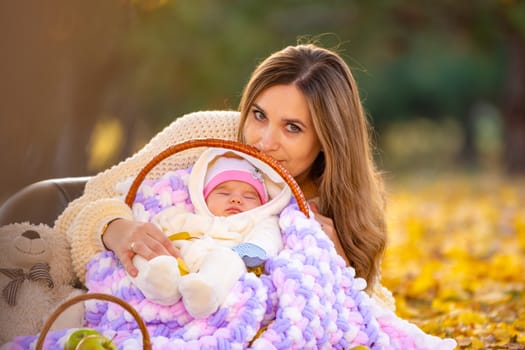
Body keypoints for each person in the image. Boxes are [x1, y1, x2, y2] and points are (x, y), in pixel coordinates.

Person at [56, 42, 393, 308]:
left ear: (327, 138)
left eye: (292, 127)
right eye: (259, 115)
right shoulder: (206, 136)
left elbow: (371, 312)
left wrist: (340, 271)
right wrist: (114, 228)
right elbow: (89, 200)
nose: (263, 141)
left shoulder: (336, 202)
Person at [127, 147, 291, 318]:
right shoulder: (186, 217)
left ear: (261, 204)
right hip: (177, 261)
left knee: (229, 261)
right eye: (224, 193)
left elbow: (268, 237)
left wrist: (250, 250)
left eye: (249, 196)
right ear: (204, 198)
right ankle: (158, 284)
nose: (236, 199)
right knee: (145, 252)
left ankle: (206, 292)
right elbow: (158, 229)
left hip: (222, 261)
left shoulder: (255, 222)